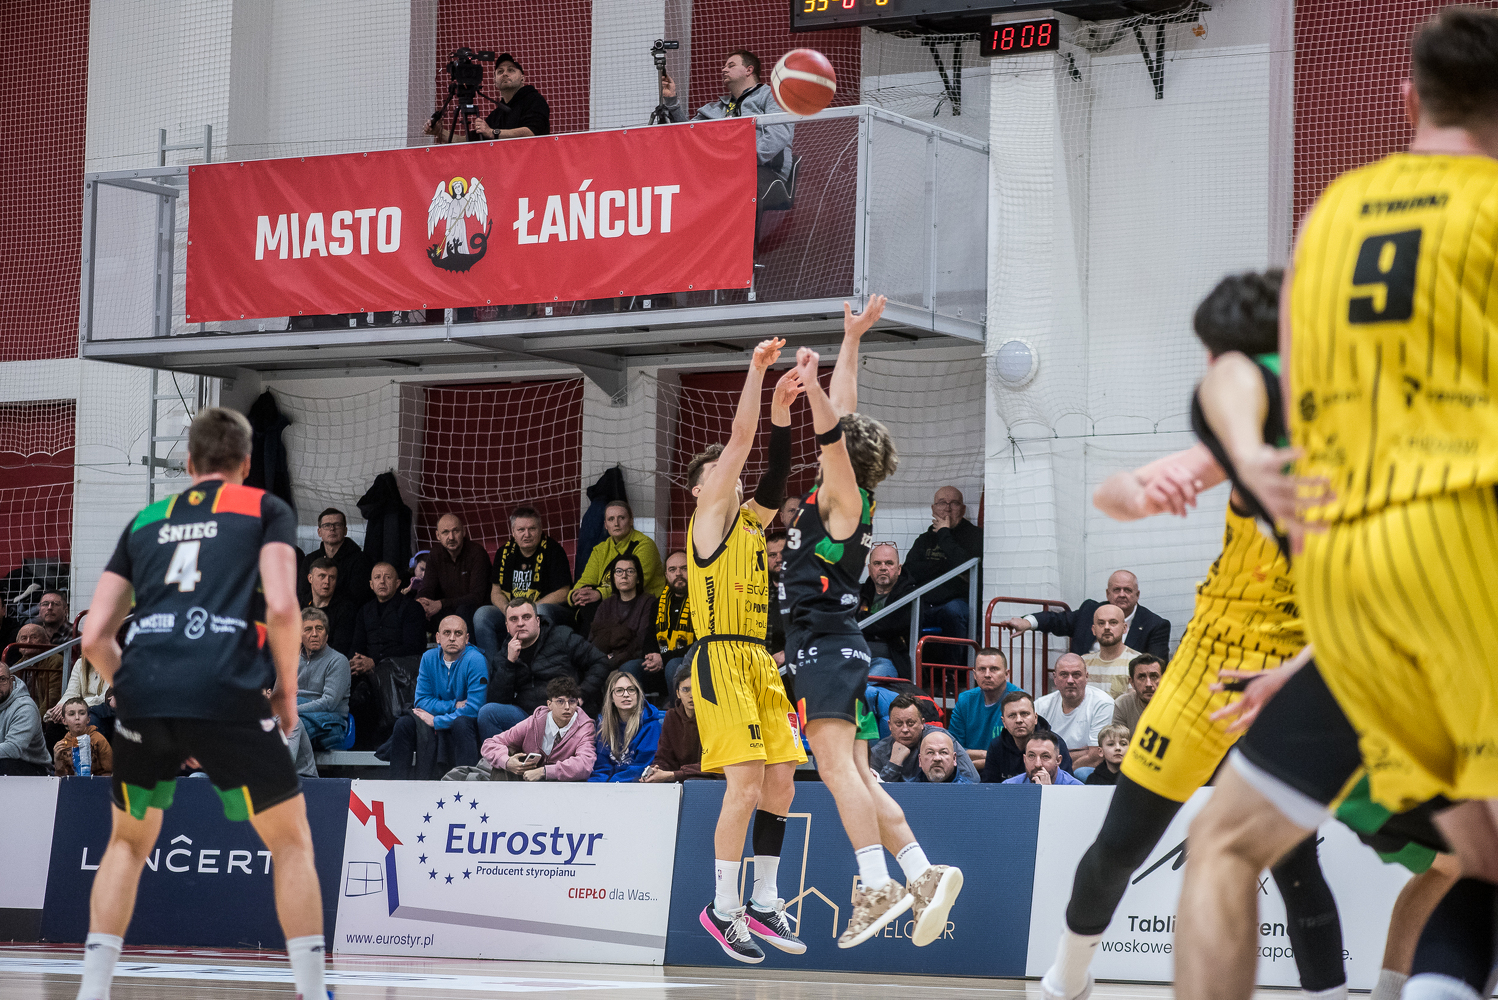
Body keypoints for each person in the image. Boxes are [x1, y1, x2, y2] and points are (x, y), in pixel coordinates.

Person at [1174, 15, 1498, 999]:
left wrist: (1320, 638)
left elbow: (1295, 411)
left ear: (1407, 99)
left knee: (1224, 846)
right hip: (1465, 553)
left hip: (1351, 575)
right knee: (1481, 852)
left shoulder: (1328, 216)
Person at [1042, 273, 1346, 1000]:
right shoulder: (1251, 435)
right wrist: (1142, 492)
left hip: (1299, 673)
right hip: (1208, 667)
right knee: (1121, 843)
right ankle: (1065, 979)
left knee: (1297, 865)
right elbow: (1116, 492)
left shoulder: (1356, 443)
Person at [75, 407, 327, 1000]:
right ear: (245, 463)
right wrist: (286, 692)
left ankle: (92, 991)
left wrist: (131, 690)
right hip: (227, 688)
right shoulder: (264, 508)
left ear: (189, 464)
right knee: (291, 843)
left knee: (125, 844)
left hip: (146, 694)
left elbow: (93, 638)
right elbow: (284, 608)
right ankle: (314, 992)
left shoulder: (146, 520)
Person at [780, 296, 964, 952]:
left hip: (823, 648)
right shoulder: (853, 494)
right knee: (860, 775)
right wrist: (851, 339)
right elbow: (846, 410)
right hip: (842, 647)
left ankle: (876, 885)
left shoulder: (841, 494)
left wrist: (811, 388)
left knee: (835, 772)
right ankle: (921, 872)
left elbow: (835, 428)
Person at [684, 335, 806, 964]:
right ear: (701, 490)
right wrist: (757, 373)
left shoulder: (751, 524)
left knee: (782, 781)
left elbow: (776, 476)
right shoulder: (708, 519)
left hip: (758, 659)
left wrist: (784, 412)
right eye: (718, 474)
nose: (729, 477)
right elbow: (738, 444)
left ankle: (763, 899)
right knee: (745, 783)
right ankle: (722, 908)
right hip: (719, 659)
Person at [474, 598, 611, 739]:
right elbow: (497, 701)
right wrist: (510, 663)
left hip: (564, 713)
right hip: (527, 718)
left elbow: (600, 661)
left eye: (526, 617)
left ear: (537, 621)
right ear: (507, 627)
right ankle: (501, 754)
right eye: (514, 619)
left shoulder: (561, 637)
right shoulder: (505, 654)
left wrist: (581, 694)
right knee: (487, 713)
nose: (520, 623)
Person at [660, 50, 793, 193]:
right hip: (725, 172)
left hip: (766, 171)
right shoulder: (715, 109)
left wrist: (741, 160)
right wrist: (671, 100)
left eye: (731, 65)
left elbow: (778, 135)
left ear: (749, 70)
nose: (724, 69)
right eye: (724, 66)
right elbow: (689, 133)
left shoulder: (772, 96)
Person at [385, 615, 486, 780]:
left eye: (458, 633)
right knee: (404, 724)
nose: (452, 638)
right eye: (447, 633)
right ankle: (397, 786)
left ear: (467, 639)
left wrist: (437, 721)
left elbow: (474, 709)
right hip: (439, 716)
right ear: (438, 637)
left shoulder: (476, 660)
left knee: (461, 723)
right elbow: (421, 701)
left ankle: (467, 786)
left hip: (464, 722)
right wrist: (454, 705)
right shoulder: (428, 657)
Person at [998, 570, 1171, 661]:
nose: (1122, 594)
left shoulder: (1155, 625)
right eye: (1116, 590)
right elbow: (1058, 620)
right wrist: (1028, 622)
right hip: (1082, 687)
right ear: (1108, 594)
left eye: (1128, 590)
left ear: (1137, 595)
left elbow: (1155, 667)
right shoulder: (1090, 611)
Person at [474, 506, 573, 659]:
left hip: (546, 609)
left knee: (542, 610)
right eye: (521, 530)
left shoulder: (554, 551)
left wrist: (530, 610)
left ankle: (541, 663)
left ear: (540, 530)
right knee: (482, 615)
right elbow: (496, 591)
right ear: (513, 532)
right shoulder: (504, 553)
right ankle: (493, 668)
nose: (527, 534)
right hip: (513, 610)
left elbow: (564, 592)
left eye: (532, 529)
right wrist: (508, 610)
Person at [902, 487, 983, 643]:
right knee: (903, 612)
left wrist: (944, 533)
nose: (947, 508)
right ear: (933, 509)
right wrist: (945, 566)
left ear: (963, 509)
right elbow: (910, 572)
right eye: (942, 503)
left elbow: (966, 567)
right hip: (926, 603)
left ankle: (956, 661)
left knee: (952, 611)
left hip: (959, 603)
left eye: (954, 503)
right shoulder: (924, 540)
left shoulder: (976, 537)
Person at [480, 676, 595, 782]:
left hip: (562, 786)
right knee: (501, 767)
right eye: (560, 701)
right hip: (527, 782)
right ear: (549, 704)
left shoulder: (584, 727)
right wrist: (507, 762)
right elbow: (490, 744)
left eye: (572, 701)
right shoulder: (534, 722)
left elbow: (585, 764)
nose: (567, 707)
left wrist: (544, 771)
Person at [424, 52, 550, 142]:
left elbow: (531, 132)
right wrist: (439, 132)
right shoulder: (497, 115)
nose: (505, 74)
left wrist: (492, 132)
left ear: (523, 78)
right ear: (495, 81)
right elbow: (467, 141)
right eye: (500, 71)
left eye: (511, 70)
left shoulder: (534, 100)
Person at [569, 501, 665, 619]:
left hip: (644, 606)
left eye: (621, 518)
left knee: (593, 605)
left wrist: (600, 594)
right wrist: (574, 595)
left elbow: (634, 583)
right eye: (611, 519)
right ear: (605, 525)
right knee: (588, 602)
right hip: (610, 605)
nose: (616, 524)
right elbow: (586, 580)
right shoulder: (600, 549)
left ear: (631, 521)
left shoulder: (645, 545)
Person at [868, 694, 980, 784]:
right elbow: (874, 792)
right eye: (898, 724)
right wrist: (894, 764)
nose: (905, 729)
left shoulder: (939, 738)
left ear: (922, 723)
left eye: (911, 723)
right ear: (890, 725)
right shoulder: (879, 751)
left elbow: (972, 779)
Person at [1034, 655, 1116, 771]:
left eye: (1076, 675)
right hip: (1047, 771)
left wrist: (1060, 774)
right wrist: (1083, 751)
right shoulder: (1041, 705)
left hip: (1082, 773)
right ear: (1055, 678)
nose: (1070, 681)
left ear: (1086, 677)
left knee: (1082, 773)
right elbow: (1033, 751)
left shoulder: (1103, 704)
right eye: (1064, 675)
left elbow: (1095, 756)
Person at [348, 561, 428, 675]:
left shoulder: (412, 608)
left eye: (388, 577)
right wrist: (355, 661)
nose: (382, 581)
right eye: (377, 577)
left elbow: (413, 647)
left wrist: (374, 661)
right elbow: (357, 644)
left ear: (397, 583)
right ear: (371, 585)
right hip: (366, 669)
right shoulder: (364, 610)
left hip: (400, 672)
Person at [634, 549, 693, 700]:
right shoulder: (658, 603)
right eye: (672, 570)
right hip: (662, 662)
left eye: (684, 568)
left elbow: (700, 643)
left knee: (673, 665)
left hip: (691, 662)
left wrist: (664, 659)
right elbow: (650, 638)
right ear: (666, 575)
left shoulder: (704, 601)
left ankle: (677, 712)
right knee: (630, 668)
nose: (678, 573)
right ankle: (638, 714)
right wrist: (651, 657)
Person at [947, 647, 1021, 768]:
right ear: (974, 675)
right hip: (969, 769)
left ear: (1006, 674)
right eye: (982, 669)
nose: (987, 675)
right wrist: (985, 755)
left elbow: (1019, 752)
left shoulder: (1019, 701)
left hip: (1007, 771)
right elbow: (952, 747)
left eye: (994, 669)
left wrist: (983, 759)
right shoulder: (965, 700)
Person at [588, 670, 663, 783]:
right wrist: (595, 787)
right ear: (611, 698)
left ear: (638, 695)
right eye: (619, 690)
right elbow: (601, 768)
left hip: (636, 786)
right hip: (610, 787)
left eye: (631, 690)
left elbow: (641, 767)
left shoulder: (651, 725)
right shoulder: (604, 726)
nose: (626, 694)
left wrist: (613, 785)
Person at [981, 691, 1072, 783]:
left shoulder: (1055, 744)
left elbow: (1066, 784)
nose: (1019, 720)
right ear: (1004, 722)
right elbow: (988, 786)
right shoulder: (996, 746)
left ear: (1035, 718)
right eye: (1012, 715)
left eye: (1024, 714)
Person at [295, 608, 351, 751]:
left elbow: (329, 703)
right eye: (308, 629)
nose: (314, 634)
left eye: (319, 629)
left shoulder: (338, 661)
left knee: (291, 726)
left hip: (331, 722)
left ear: (326, 635)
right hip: (300, 716)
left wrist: (293, 710)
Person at [643, 665, 711, 783]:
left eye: (697, 689)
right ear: (678, 693)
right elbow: (664, 757)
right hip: (677, 780)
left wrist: (674, 775)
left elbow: (714, 765)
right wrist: (656, 770)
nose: (691, 695)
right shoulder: (671, 717)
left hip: (707, 782)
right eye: (685, 689)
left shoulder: (714, 718)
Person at [588, 554, 654, 673]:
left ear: (638, 578)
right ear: (613, 578)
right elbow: (595, 640)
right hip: (605, 661)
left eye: (630, 571)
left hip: (633, 660)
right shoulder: (605, 605)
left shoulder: (648, 602)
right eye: (619, 571)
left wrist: (614, 657)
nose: (624, 575)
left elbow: (641, 642)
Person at [858, 542, 911, 679]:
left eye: (889, 563)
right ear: (869, 569)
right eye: (877, 563)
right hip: (854, 656)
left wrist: (861, 618)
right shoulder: (859, 593)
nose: (883, 568)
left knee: (862, 685)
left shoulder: (911, 596)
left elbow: (891, 626)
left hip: (888, 660)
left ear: (899, 569)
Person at [297, 507, 370, 607]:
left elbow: (358, 596)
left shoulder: (360, 560)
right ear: (319, 532)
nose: (332, 529)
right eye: (327, 525)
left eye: (337, 525)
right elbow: (302, 593)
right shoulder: (309, 560)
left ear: (345, 530)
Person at [1078, 605, 1140, 698]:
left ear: (1124, 628)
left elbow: (1136, 704)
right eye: (1101, 623)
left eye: (1113, 622)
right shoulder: (1083, 663)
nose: (1106, 627)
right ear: (1093, 630)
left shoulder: (1137, 662)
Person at [0, 662, 49, 776]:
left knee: (3, 764)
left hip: (35, 769)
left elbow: (13, 749)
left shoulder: (25, 707)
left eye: (2, 679)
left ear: (11, 681)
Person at [303, 557, 357, 655]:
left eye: (332, 577)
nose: (327, 582)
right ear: (310, 578)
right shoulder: (300, 604)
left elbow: (340, 649)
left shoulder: (345, 609)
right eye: (322, 576)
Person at [52, 697, 113, 777]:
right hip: (72, 783)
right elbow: (61, 778)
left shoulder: (98, 739)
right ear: (64, 721)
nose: (77, 718)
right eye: (71, 714)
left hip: (97, 782)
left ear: (88, 719)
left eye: (82, 713)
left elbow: (109, 772)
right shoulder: (63, 745)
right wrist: (58, 762)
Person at [1003, 731, 1084, 785]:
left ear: (1058, 760)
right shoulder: (1009, 786)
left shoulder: (1076, 789)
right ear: (1024, 759)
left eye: (1045, 756)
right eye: (1031, 756)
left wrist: (1047, 792)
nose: (1037, 764)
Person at [1111, 654, 1162, 732]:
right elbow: (1118, 738)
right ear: (1132, 682)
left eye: (1154, 677)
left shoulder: (1176, 705)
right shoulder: (1123, 704)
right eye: (1142, 677)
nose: (1148, 684)